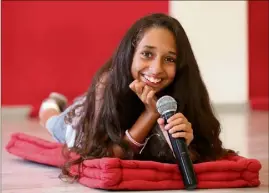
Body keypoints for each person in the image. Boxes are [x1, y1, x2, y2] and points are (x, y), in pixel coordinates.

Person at [39, 13, 236, 178]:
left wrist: (186, 144)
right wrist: (149, 114)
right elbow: (101, 155)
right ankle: (52, 102)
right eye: (147, 54)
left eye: (169, 59)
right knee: (51, 122)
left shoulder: (184, 88)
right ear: (131, 53)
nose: (156, 69)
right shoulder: (106, 83)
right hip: (85, 120)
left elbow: (206, 151)